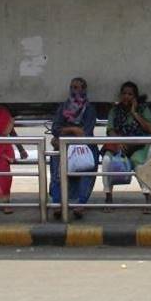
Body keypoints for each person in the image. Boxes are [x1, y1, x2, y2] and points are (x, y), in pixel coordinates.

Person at [102, 81, 151, 213]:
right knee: (106, 161)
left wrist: (134, 113)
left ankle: (148, 198)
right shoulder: (115, 110)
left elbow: (150, 129)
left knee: (138, 163)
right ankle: (108, 197)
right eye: (124, 93)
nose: (126, 96)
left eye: (130, 94)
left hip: (139, 146)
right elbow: (110, 130)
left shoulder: (143, 109)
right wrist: (119, 141)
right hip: (119, 146)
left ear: (135, 97)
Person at [49, 76, 98, 218]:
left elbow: (85, 132)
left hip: (84, 146)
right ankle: (58, 203)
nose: (75, 90)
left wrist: (66, 131)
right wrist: (73, 130)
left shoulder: (89, 109)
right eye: (73, 87)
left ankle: (80, 204)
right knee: (57, 170)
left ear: (84, 89)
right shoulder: (63, 107)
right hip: (63, 145)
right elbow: (55, 128)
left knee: (86, 169)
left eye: (79, 87)